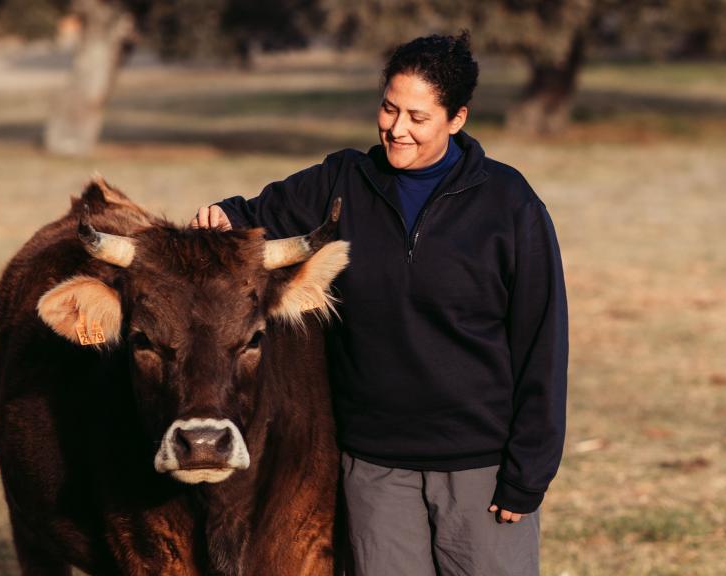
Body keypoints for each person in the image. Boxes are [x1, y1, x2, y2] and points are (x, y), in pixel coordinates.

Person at [192, 32, 567, 576]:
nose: (397, 129)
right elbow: (258, 212)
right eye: (389, 108)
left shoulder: (509, 204)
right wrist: (223, 215)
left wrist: (527, 474)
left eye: (418, 117)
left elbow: (542, 344)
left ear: (457, 119)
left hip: (480, 469)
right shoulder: (344, 180)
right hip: (373, 469)